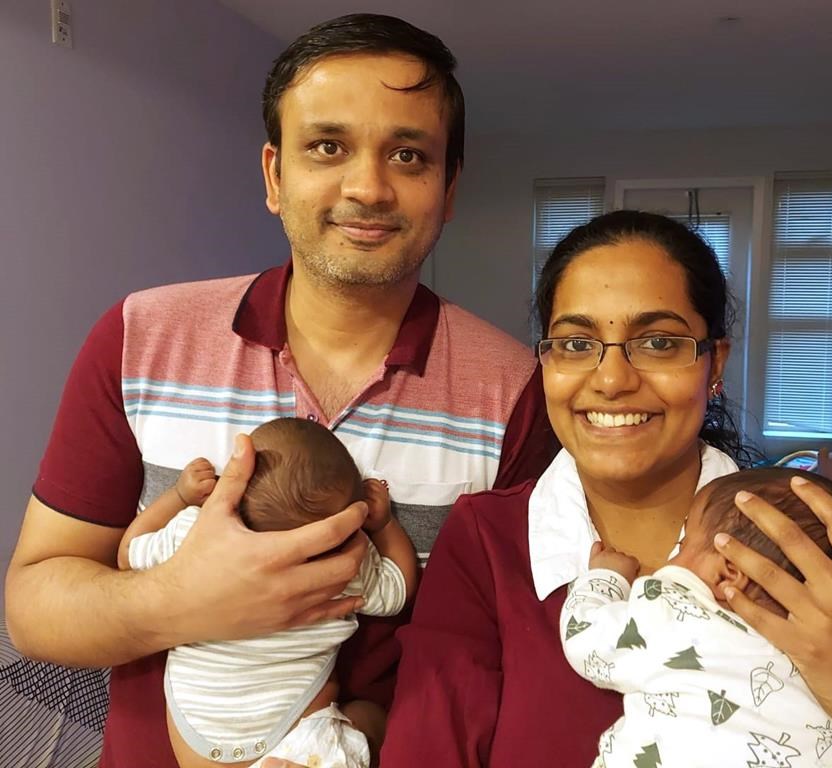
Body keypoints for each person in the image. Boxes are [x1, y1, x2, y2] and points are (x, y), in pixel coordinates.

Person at [4, 14, 554, 768]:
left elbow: (508, 651)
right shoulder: (140, 337)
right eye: (327, 147)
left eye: (408, 154)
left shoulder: (517, 389)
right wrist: (185, 598)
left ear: (448, 188)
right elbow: (34, 609)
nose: (367, 186)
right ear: (274, 175)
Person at [380, 211, 832, 768]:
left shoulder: (803, 530)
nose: (611, 380)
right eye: (576, 343)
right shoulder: (489, 539)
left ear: (714, 363)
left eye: (657, 342)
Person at [118, 417, 416, 768]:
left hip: (200, 747)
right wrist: (383, 526)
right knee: (367, 716)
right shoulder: (343, 565)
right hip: (299, 748)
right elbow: (399, 587)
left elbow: (129, 554)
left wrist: (179, 497)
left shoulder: (195, 536)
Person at [561, 467, 832, 768]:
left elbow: (585, 637)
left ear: (728, 573)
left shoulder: (675, 609)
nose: (673, 557)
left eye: (683, 544)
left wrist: (606, 577)